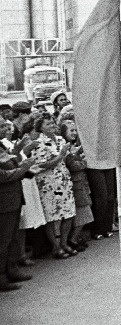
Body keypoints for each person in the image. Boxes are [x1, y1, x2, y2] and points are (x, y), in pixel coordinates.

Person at [29, 112, 77, 258]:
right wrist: (60, 156)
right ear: (40, 127)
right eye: (47, 124)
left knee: (69, 213)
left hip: (63, 181)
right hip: (48, 183)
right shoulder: (38, 143)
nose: (52, 126)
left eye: (52, 123)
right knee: (52, 216)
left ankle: (64, 242)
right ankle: (55, 247)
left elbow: (67, 158)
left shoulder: (60, 139)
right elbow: (41, 165)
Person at [0, 120, 38, 291]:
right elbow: (4, 175)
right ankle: (2, 277)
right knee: (4, 240)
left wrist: (19, 153)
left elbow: (12, 163)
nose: (7, 129)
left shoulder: (2, 146)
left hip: (13, 198)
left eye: (6, 126)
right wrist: (24, 168)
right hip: (4, 202)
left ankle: (12, 269)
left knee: (12, 237)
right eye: (1, 126)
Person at [62, 120, 92, 251]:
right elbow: (73, 165)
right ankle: (72, 239)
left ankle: (75, 237)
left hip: (82, 182)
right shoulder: (65, 147)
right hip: (75, 184)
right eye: (71, 130)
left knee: (83, 212)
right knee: (83, 212)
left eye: (75, 130)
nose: (74, 133)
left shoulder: (73, 145)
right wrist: (84, 162)